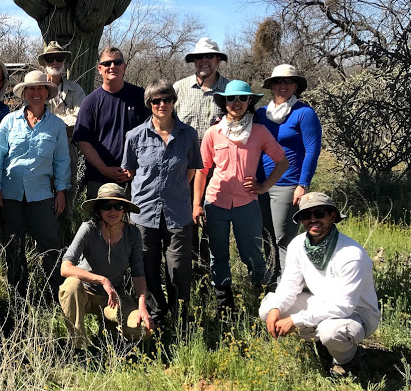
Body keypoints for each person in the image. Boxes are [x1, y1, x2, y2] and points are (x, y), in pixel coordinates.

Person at [192, 80, 289, 313]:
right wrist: (197, 204)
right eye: (231, 98)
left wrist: (264, 186)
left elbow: (282, 161)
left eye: (242, 98)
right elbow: (202, 170)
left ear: (250, 102)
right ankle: (224, 307)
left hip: (247, 202)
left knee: (253, 252)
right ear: (224, 102)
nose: (237, 103)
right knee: (218, 254)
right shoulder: (213, 133)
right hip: (216, 202)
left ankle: (261, 298)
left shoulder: (259, 131)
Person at [259, 192, 379, 377]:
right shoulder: (298, 245)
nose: (313, 220)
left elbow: (344, 307)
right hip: (323, 303)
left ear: (332, 216)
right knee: (269, 309)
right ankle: (325, 346)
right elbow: (289, 285)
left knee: (330, 331)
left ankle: (345, 360)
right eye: (306, 216)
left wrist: (295, 320)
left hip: (357, 314)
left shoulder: (351, 254)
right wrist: (277, 308)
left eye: (319, 213)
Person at [122, 79, 202, 329]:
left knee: (178, 267)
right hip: (144, 212)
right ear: (149, 104)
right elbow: (131, 172)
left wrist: (174, 190)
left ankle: (181, 317)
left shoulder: (188, 134)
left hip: (178, 212)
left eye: (167, 99)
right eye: (156, 100)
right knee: (147, 266)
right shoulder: (134, 136)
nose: (162, 104)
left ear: (174, 101)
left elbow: (191, 170)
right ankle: (156, 314)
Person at [0, 70, 70, 297]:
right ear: (25, 93)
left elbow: (62, 160)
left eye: (40, 89)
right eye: (31, 89)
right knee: (13, 244)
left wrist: (61, 191)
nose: (36, 93)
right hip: (10, 193)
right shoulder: (9, 121)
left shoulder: (56, 125)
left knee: (49, 243)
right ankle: (19, 295)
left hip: (42, 194)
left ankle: (55, 294)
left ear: (47, 93)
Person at [59, 183, 153, 348]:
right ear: (98, 209)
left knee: (143, 330)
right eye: (106, 206)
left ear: (124, 209)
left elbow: (138, 274)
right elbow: (65, 267)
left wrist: (142, 305)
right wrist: (102, 280)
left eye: (118, 206)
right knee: (70, 286)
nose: (113, 211)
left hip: (114, 298)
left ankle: (110, 332)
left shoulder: (132, 233)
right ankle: (79, 347)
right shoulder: (88, 229)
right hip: (85, 292)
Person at [256, 64, 322, 280]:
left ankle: (289, 285)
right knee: (266, 236)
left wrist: (303, 184)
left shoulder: (304, 113)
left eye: (288, 81)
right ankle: (269, 282)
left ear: (296, 85)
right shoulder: (260, 114)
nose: (283, 85)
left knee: (284, 238)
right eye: (278, 81)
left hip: (288, 184)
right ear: (272, 86)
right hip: (260, 184)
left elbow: (312, 150)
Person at [173, 37, 231, 275]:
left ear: (218, 60)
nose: (204, 61)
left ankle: (211, 275)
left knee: (212, 225)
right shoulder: (179, 89)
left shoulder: (231, 90)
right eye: (199, 57)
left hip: (219, 170)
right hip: (184, 170)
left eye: (209, 56)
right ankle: (188, 275)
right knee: (186, 224)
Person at [73, 46, 150, 199]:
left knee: (136, 223)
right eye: (107, 63)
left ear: (124, 66)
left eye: (117, 62)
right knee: (101, 222)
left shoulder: (140, 96)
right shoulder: (90, 102)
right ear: (100, 69)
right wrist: (105, 169)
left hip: (138, 177)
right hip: (99, 179)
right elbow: (83, 141)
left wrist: (135, 167)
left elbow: (153, 132)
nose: (112, 66)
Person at [40, 40, 86, 235]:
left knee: (66, 196)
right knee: (41, 200)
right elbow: (34, 118)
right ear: (44, 63)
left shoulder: (76, 90)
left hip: (68, 153)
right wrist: (63, 125)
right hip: (41, 153)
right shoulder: (37, 87)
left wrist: (53, 124)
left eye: (59, 58)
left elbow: (80, 120)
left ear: (65, 62)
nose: (55, 62)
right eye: (51, 58)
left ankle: (65, 245)